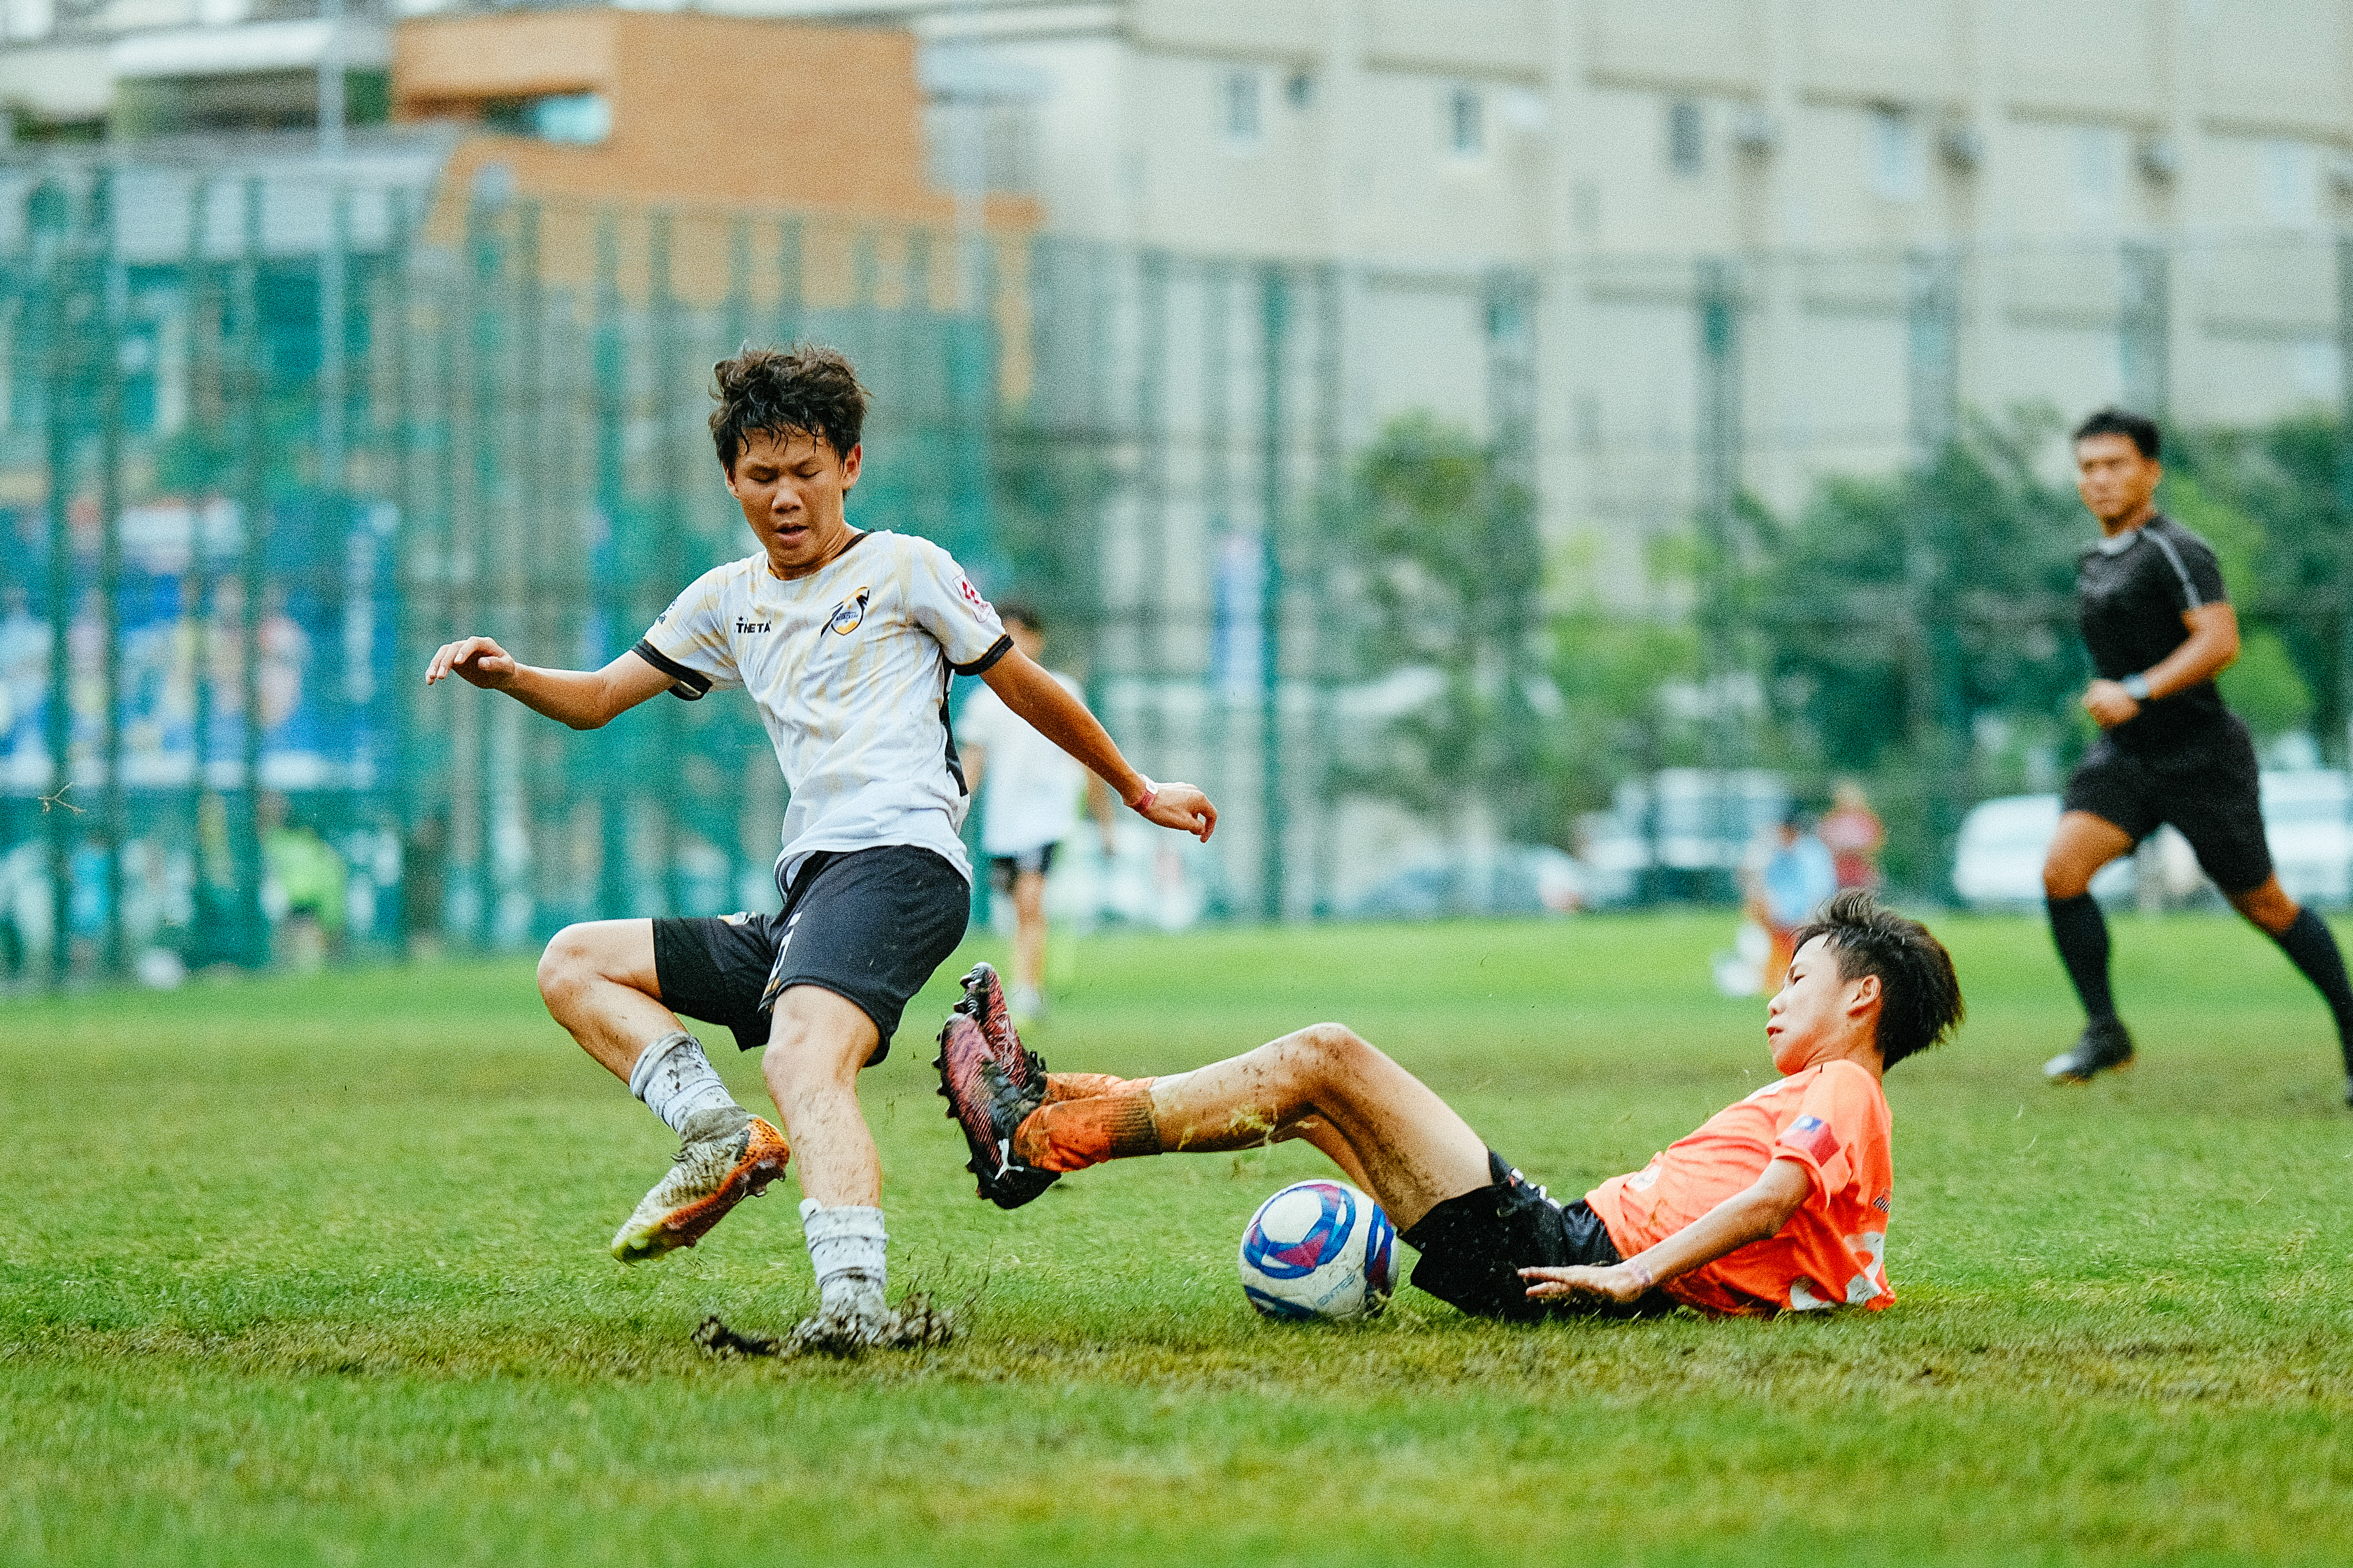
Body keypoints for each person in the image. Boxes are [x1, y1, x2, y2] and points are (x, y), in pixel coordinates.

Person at [424, 345, 1217, 1351]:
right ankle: (714, 1134)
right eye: (762, 476)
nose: (785, 497)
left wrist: (1137, 788)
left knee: (805, 1054)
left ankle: (854, 1307)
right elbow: (594, 699)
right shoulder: (724, 600)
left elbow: (1025, 687)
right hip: (811, 892)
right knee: (575, 960)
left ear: (849, 464)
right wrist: (509, 674)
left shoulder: (905, 568)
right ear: (732, 481)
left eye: (806, 470)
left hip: (904, 864)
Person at [935, 891, 1961, 1320]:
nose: (1778, 996)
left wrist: (1635, 1273)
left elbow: (1780, 1200)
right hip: (1564, 1254)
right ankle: (1045, 1106)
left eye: (1800, 977)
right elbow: (1831, 1262)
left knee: (1328, 1054)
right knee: (1304, 1099)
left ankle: (1039, 1132)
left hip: (1576, 1254)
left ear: (1862, 999)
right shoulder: (1832, 1096)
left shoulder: (1841, 1086)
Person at [2040, 408, 2353, 1106]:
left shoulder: (2175, 548)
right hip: (2124, 758)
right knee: (2062, 872)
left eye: (2114, 464)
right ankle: (2104, 1031)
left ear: (2150, 472)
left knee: (2265, 905)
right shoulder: (2093, 559)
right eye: (2087, 466)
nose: (2099, 478)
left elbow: (2218, 640)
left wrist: (2137, 689)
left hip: (2200, 759)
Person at [955, 601, 1115, 1024]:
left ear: (1037, 639)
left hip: (1046, 817)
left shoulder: (1060, 689)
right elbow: (973, 763)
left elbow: (1089, 756)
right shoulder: (985, 702)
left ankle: (1027, 992)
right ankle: (1022, 983)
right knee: (1016, 910)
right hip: (1002, 825)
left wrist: (1105, 824)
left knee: (1030, 901)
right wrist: (952, 813)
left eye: (1022, 634)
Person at [1746, 810, 1837, 989]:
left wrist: (1804, 919)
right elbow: (1757, 882)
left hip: (1805, 919)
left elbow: (1820, 892)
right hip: (1778, 921)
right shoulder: (1775, 854)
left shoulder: (1812, 855)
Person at [1820, 779, 1885, 891]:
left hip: (1861, 870)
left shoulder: (1866, 819)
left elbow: (1874, 843)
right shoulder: (1833, 819)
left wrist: (1852, 847)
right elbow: (1826, 843)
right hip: (1838, 872)